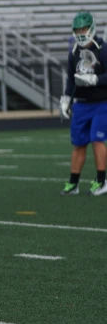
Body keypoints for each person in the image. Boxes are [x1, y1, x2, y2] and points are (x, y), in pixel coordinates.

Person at [59, 11, 107, 196]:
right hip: (81, 104)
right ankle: (73, 183)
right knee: (78, 143)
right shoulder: (74, 52)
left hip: (102, 102)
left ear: (92, 28)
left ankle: (101, 181)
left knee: (97, 138)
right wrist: (66, 100)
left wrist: (96, 79)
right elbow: (71, 79)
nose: (80, 32)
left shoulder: (103, 49)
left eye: (84, 28)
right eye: (77, 29)